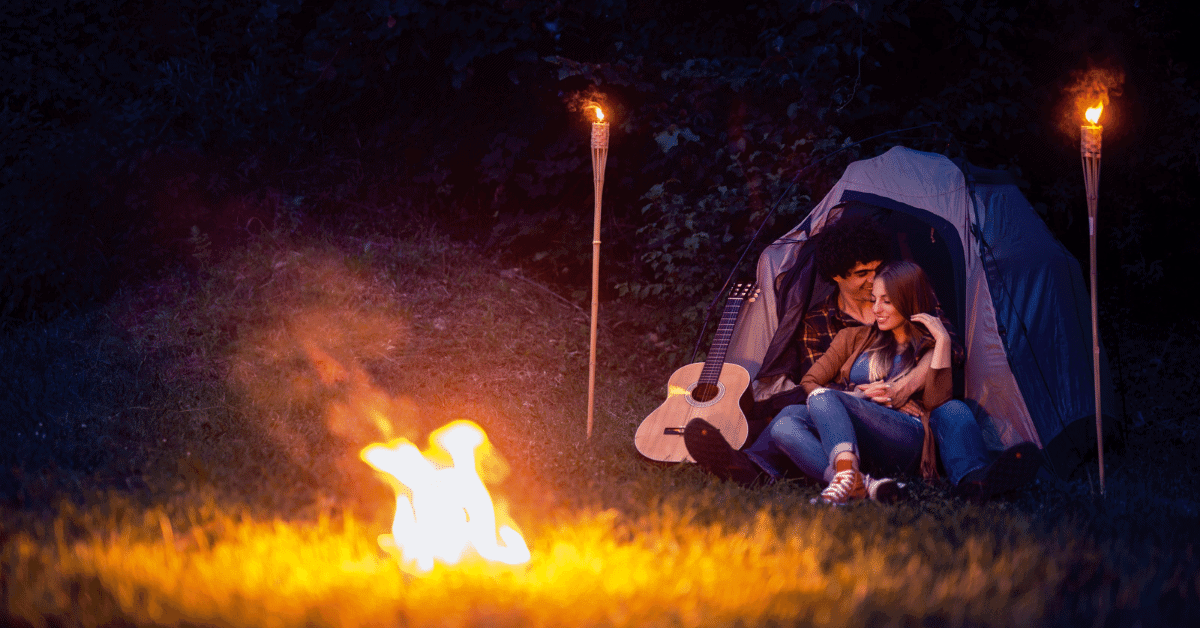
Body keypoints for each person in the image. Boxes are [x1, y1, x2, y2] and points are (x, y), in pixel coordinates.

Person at [686, 261, 1041, 504]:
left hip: (905, 436)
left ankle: (978, 481)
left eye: (888, 301)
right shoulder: (852, 338)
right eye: (874, 300)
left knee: (954, 408)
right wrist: (853, 396)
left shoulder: (930, 344)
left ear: (909, 300)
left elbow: (936, 401)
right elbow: (811, 380)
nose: (878, 309)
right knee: (785, 422)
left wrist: (943, 342)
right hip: (853, 436)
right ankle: (859, 484)